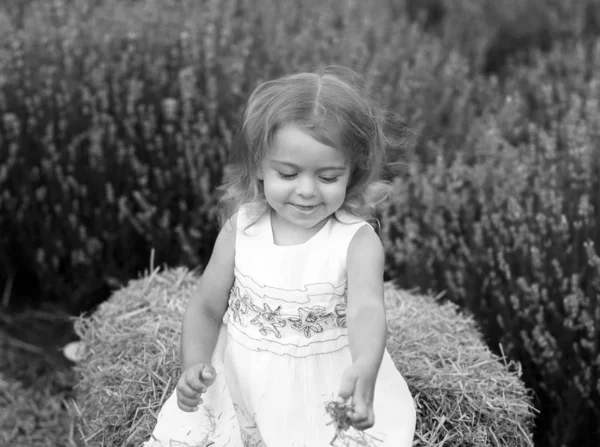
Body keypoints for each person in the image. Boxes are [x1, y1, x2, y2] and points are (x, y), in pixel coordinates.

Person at [144, 65, 416, 446]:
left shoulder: (356, 240)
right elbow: (207, 307)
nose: (306, 190)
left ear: (352, 173)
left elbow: (366, 311)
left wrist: (365, 368)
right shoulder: (243, 228)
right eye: (288, 174)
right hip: (246, 380)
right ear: (259, 165)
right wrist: (194, 366)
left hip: (323, 387)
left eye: (327, 177)